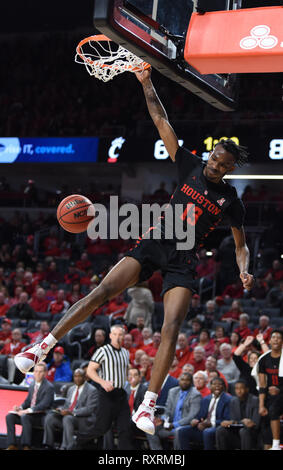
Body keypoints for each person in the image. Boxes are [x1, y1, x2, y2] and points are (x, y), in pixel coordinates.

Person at [14, 68, 254, 437]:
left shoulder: (230, 199)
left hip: (185, 258)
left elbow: (240, 245)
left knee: (171, 328)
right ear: (210, 153)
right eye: (214, 157)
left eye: (222, 164)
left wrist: (243, 269)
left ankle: (148, 404)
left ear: (230, 168)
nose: (214, 164)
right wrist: (146, 81)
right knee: (102, 292)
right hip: (157, 239)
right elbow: (160, 117)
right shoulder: (188, 163)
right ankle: (39, 349)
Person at [81, 325, 133, 449]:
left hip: (121, 394)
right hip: (107, 394)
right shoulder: (103, 351)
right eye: (115, 334)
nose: (118, 337)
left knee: (125, 429)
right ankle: (77, 442)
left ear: (124, 336)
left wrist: (129, 377)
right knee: (101, 428)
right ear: (110, 336)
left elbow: (125, 369)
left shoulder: (126, 353)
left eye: (120, 335)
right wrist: (102, 382)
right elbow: (90, 370)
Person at [43, 368, 98, 450]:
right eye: (75, 376)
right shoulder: (71, 389)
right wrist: (60, 410)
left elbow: (89, 409)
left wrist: (71, 412)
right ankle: (48, 445)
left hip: (83, 420)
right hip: (69, 417)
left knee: (67, 418)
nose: (77, 378)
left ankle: (68, 447)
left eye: (80, 376)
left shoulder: (92, 390)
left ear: (85, 378)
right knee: (50, 417)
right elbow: (67, 406)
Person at [147, 372, 201, 450]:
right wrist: (163, 419)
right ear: (179, 381)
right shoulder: (173, 391)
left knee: (178, 431)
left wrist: (174, 425)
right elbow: (168, 410)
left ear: (191, 382)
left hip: (185, 427)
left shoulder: (195, 395)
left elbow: (191, 416)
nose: (184, 382)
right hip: (170, 425)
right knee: (150, 428)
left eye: (187, 380)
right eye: (182, 379)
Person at [6, 363, 54, 450]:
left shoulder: (49, 387)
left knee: (25, 417)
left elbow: (44, 405)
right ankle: (12, 444)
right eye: (36, 371)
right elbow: (28, 401)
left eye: (40, 372)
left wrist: (27, 411)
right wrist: (20, 408)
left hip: (41, 416)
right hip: (29, 414)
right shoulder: (32, 384)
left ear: (45, 373)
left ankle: (26, 446)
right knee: (10, 417)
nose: (38, 374)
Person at [177, 377, 232, 450]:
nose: (217, 386)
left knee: (207, 432)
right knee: (182, 431)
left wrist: (210, 423)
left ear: (224, 387)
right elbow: (200, 416)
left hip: (218, 428)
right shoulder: (206, 399)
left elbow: (227, 419)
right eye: (214, 384)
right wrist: (195, 420)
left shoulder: (228, 400)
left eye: (220, 384)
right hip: (204, 427)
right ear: (210, 387)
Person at [255, 330, 283, 450]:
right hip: (270, 394)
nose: (276, 339)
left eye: (279, 337)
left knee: (273, 408)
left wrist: (279, 390)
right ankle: (268, 445)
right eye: (273, 337)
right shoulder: (263, 359)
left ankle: (276, 445)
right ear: (269, 341)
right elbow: (262, 384)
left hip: (281, 392)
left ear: (282, 342)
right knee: (264, 414)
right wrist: (261, 405)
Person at [216, 379, 260, 450]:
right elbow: (234, 420)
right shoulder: (233, 401)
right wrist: (229, 422)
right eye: (236, 389)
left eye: (241, 388)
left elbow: (256, 423)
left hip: (252, 433)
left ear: (247, 389)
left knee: (244, 431)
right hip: (237, 432)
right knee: (220, 430)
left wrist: (237, 422)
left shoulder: (255, 400)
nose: (239, 391)